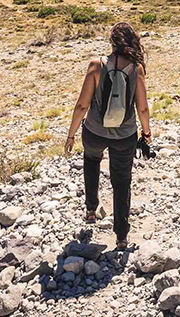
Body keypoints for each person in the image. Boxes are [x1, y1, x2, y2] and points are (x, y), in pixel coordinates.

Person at [64, 22, 152, 250]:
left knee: (91, 162)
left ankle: (91, 209)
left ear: (112, 42)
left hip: (94, 130)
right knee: (122, 182)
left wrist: (71, 134)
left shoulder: (96, 65)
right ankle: (121, 236)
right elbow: (142, 108)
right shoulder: (136, 69)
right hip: (125, 135)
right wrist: (147, 133)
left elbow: (82, 104)